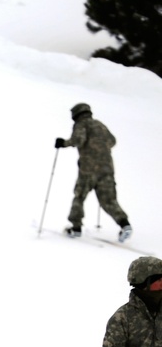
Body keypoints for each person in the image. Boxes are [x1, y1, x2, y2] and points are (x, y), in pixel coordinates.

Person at [55, 102, 132, 242]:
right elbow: (112, 141)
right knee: (108, 199)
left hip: (88, 168)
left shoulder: (81, 124)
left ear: (76, 115)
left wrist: (64, 143)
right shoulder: (100, 125)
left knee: (79, 195)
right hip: (107, 168)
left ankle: (76, 227)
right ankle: (124, 224)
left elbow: (79, 139)